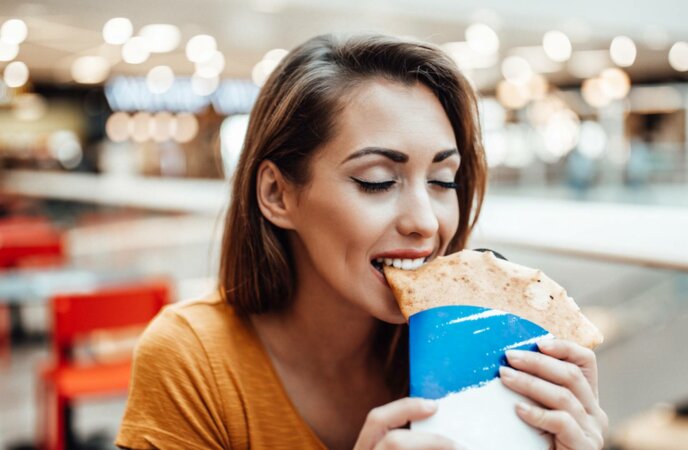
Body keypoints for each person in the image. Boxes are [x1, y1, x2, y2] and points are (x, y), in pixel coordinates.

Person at [116, 33, 607, 450]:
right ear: (277, 194)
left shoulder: (491, 349)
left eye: (443, 181)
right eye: (377, 180)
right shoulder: (191, 359)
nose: (425, 222)